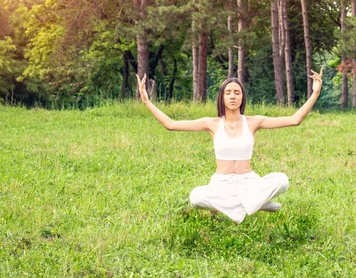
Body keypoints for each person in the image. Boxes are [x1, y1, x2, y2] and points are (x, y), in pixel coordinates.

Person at [136, 68, 323, 224]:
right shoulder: (211, 123)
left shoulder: (253, 121)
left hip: (249, 182)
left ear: (242, 97)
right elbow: (171, 125)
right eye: (228, 92)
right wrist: (146, 101)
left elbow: (294, 120)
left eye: (237, 92)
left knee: (282, 180)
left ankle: (240, 206)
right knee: (195, 197)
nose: (232, 96)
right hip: (221, 184)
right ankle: (255, 205)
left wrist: (315, 93)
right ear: (222, 97)